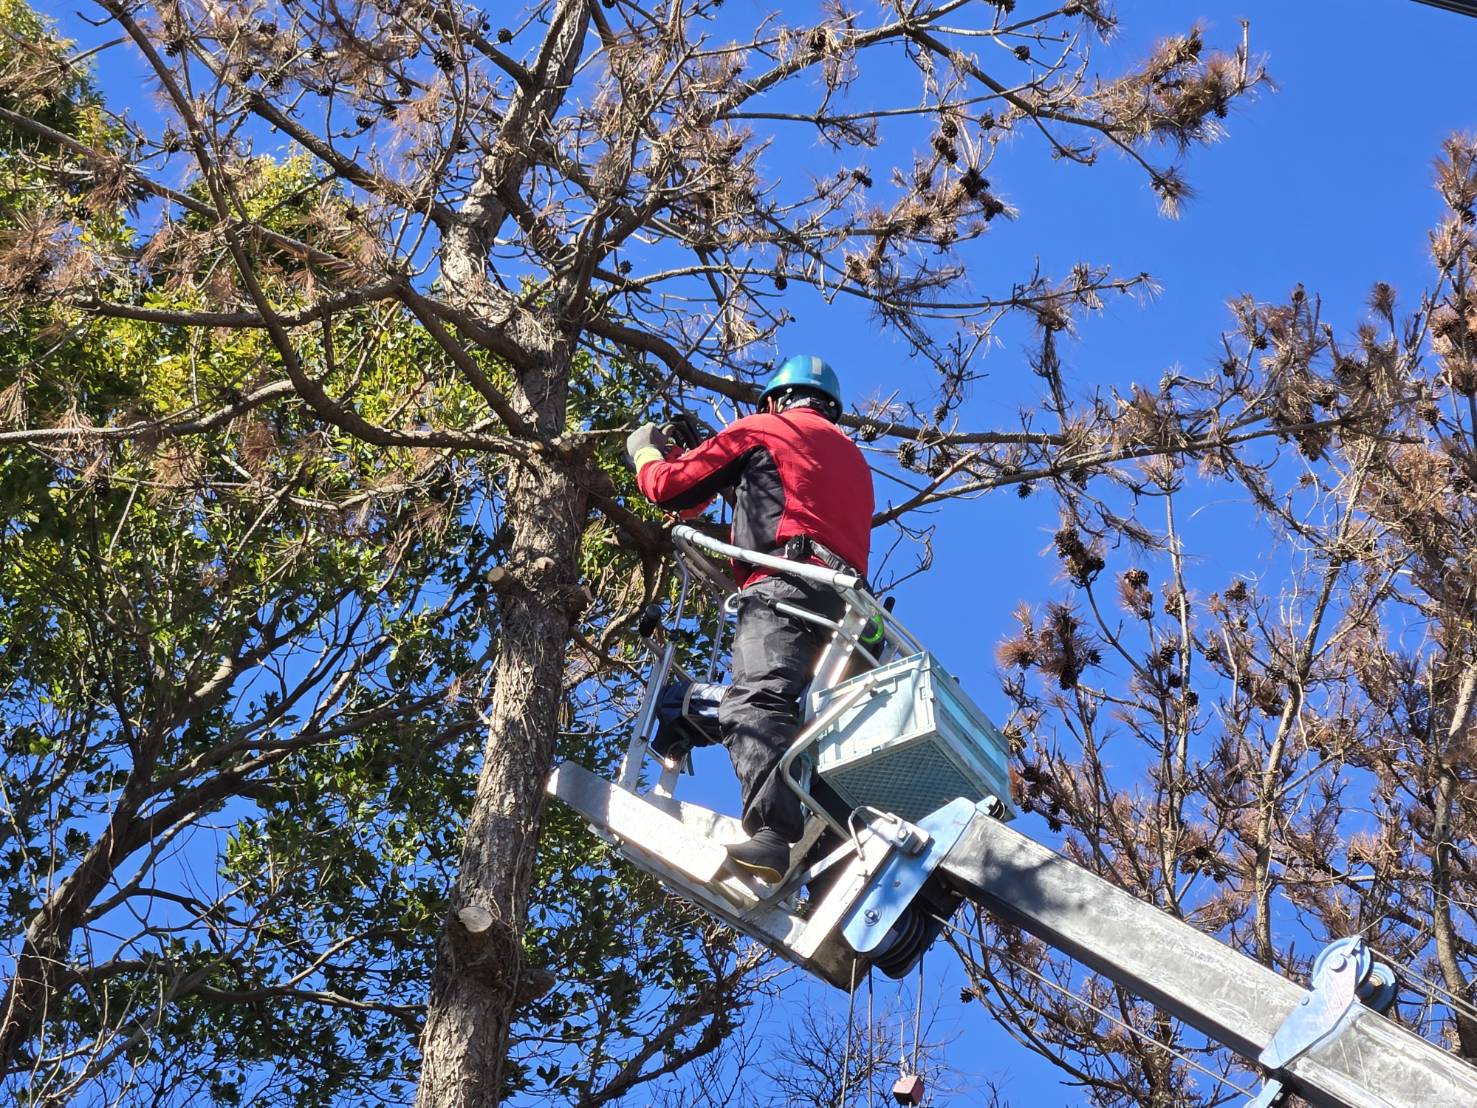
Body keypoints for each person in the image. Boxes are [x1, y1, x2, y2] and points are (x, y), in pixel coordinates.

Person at [624, 355, 874, 881]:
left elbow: (672, 490)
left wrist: (648, 451)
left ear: (777, 400)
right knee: (811, 726)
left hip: (784, 585)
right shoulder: (850, 458)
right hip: (846, 607)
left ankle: (772, 834)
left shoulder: (764, 428)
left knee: (755, 700)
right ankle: (832, 869)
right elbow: (780, 494)